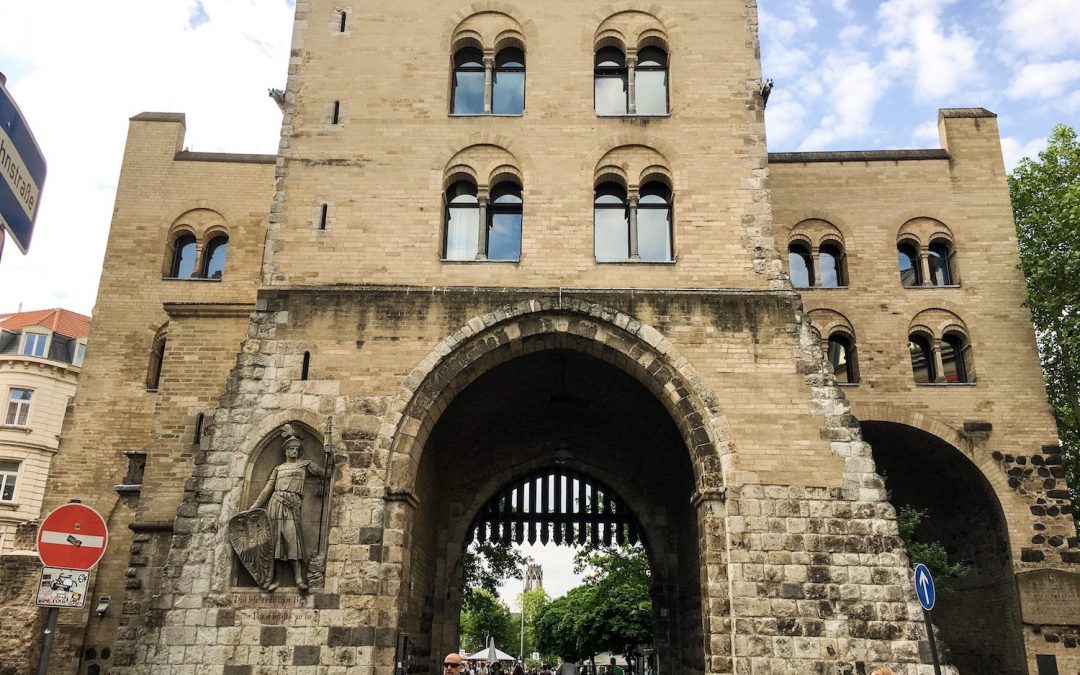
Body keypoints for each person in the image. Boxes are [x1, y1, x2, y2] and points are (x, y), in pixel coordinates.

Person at [249, 425, 329, 591]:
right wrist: (254, 507)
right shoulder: (278, 469)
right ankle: (276, 580)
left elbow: (326, 472)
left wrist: (329, 455)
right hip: (275, 504)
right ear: (285, 451)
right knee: (276, 543)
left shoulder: (305, 465)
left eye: (296, 449)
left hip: (292, 506)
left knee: (293, 542)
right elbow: (267, 489)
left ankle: (299, 578)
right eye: (291, 448)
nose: (294, 451)